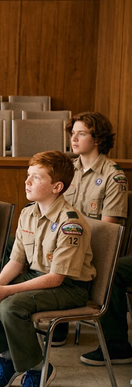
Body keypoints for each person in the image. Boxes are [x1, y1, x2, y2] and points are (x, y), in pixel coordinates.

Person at [0, 151, 96, 387]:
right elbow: (16, 261)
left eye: (36, 178)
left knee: (11, 305)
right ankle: (8, 358)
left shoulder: (70, 223)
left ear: (57, 186)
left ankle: (38, 369)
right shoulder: (28, 213)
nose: (27, 182)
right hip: (36, 277)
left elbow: (56, 278)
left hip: (68, 287)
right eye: (28, 176)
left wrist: (7, 291)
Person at [59, 112, 130, 365]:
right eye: (72, 133)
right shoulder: (68, 169)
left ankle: (116, 344)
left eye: (82, 133)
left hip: (97, 247)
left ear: (97, 139)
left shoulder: (113, 176)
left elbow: (109, 232)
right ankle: (57, 325)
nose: (74, 138)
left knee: (102, 267)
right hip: (69, 241)